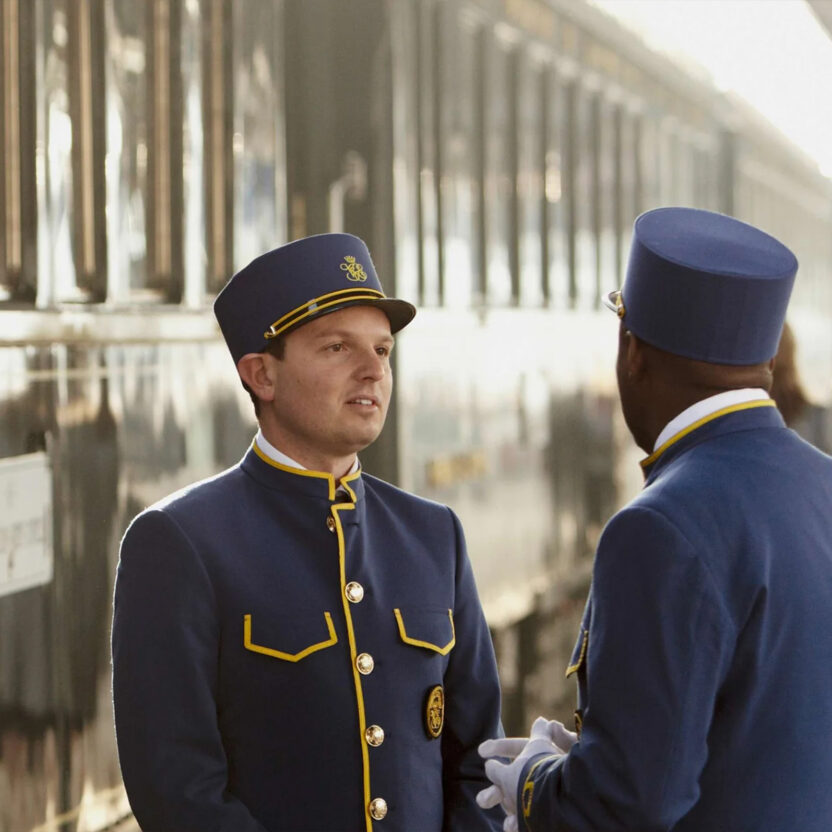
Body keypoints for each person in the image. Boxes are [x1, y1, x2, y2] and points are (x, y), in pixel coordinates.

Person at [112, 233, 503, 832]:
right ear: (261, 375)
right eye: (337, 347)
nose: (372, 369)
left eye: (382, 349)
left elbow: (478, 763)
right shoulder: (180, 543)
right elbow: (178, 793)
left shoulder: (433, 535)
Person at [478, 207, 832, 831]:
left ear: (631, 350)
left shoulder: (660, 527)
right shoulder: (823, 483)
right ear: (765, 362)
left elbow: (626, 804)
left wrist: (535, 780)